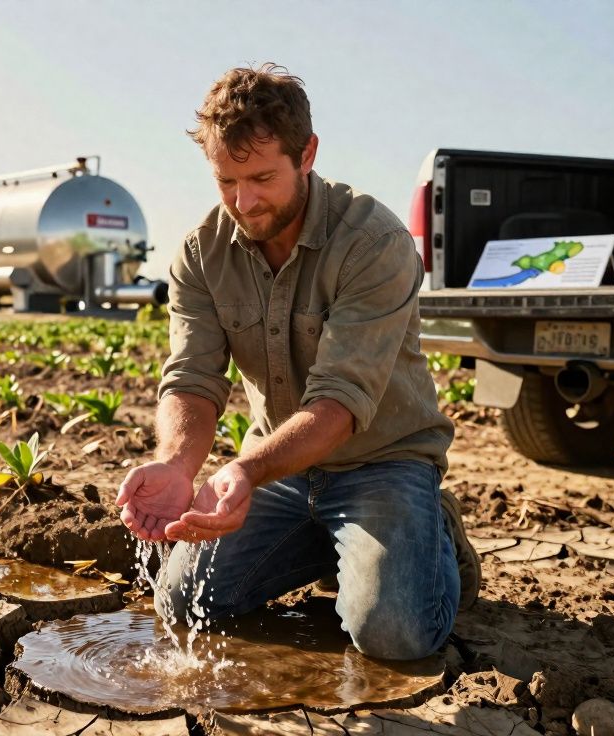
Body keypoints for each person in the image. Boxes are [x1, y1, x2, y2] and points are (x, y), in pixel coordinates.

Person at [115, 64, 479, 661]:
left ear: (307, 153)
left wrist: (246, 472)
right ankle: (333, 545)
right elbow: (193, 379)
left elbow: (339, 403)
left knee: (393, 635)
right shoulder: (200, 253)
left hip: (381, 463)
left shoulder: (373, 241)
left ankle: (430, 532)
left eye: (262, 177)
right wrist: (179, 464)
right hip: (282, 474)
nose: (244, 201)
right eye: (226, 181)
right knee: (181, 600)